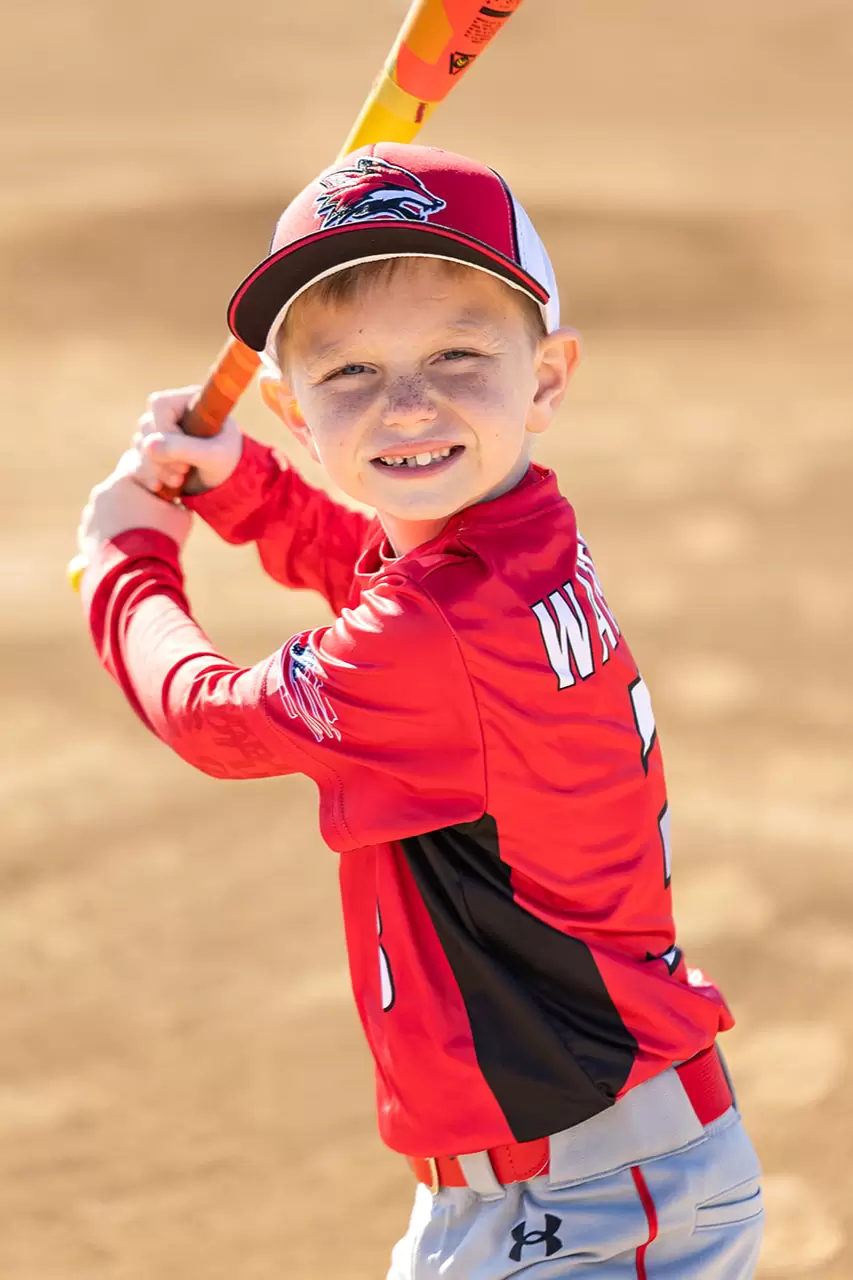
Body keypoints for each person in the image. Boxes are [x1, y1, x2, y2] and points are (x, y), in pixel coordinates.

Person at [77, 143, 764, 1277]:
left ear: (546, 378)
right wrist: (241, 485)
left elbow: (212, 718)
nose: (406, 403)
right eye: (348, 371)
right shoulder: (515, 538)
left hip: (594, 1195)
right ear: (294, 412)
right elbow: (376, 568)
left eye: (456, 353)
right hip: (553, 1174)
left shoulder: (438, 631)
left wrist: (125, 564)